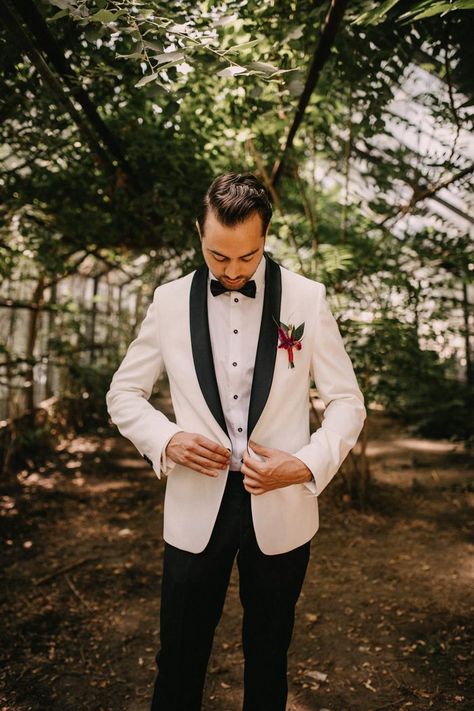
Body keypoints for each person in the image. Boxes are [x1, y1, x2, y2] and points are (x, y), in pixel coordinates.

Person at [105, 172, 366, 710]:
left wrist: (306, 465)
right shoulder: (169, 300)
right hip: (194, 507)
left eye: (245, 259)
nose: (230, 271)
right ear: (199, 235)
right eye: (216, 257)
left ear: (265, 236)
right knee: (178, 655)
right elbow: (124, 393)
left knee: (269, 655)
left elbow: (348, 402)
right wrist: (167, 438)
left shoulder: (307, 299)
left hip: (281, 506)